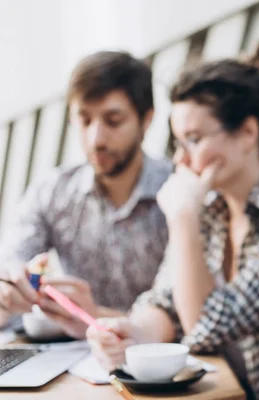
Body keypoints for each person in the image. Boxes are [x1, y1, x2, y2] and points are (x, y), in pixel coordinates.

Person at [86, 41, 259, 400]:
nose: (180, 159)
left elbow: (207, 324)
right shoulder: (210, 208)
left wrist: (182, 218)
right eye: (177, 143)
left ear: (248, 134)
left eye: (193, 139)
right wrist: (130, 334)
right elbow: (164, 299)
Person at [0, 51, 171, 338]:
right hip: (69, 359)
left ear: (146, 120)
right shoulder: (53, 190)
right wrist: (9, 287)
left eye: (113, 121)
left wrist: (97, 316)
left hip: (160, 361)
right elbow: (10, 260)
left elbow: (189, 316)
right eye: (84, 120)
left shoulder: (177, 192)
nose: (96, 139)